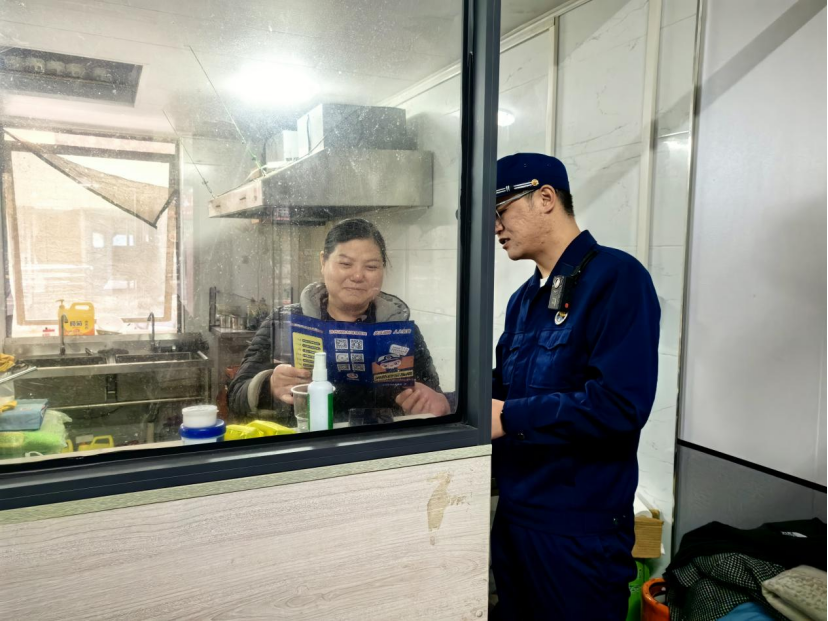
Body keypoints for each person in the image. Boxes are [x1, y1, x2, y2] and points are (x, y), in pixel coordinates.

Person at [489, 153, 661, 620]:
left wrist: (508, 416)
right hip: (516, 520)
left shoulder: (617, 279)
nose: (496, 228)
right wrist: (447, 403)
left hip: (578, 533)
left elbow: (619, 405)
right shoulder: (523, 300)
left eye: (500, 211)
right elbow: (504, 389)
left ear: (545, 198)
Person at [228, 218, 450, 422]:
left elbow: (435, 399)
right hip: (306, 446)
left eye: (371, 267)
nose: (358, 276)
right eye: (345, 264)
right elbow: (235, 396)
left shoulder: (400, 332)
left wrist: (437, 402)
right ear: (323, 262)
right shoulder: (285, 322)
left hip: (383, 446)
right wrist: (269, 385)